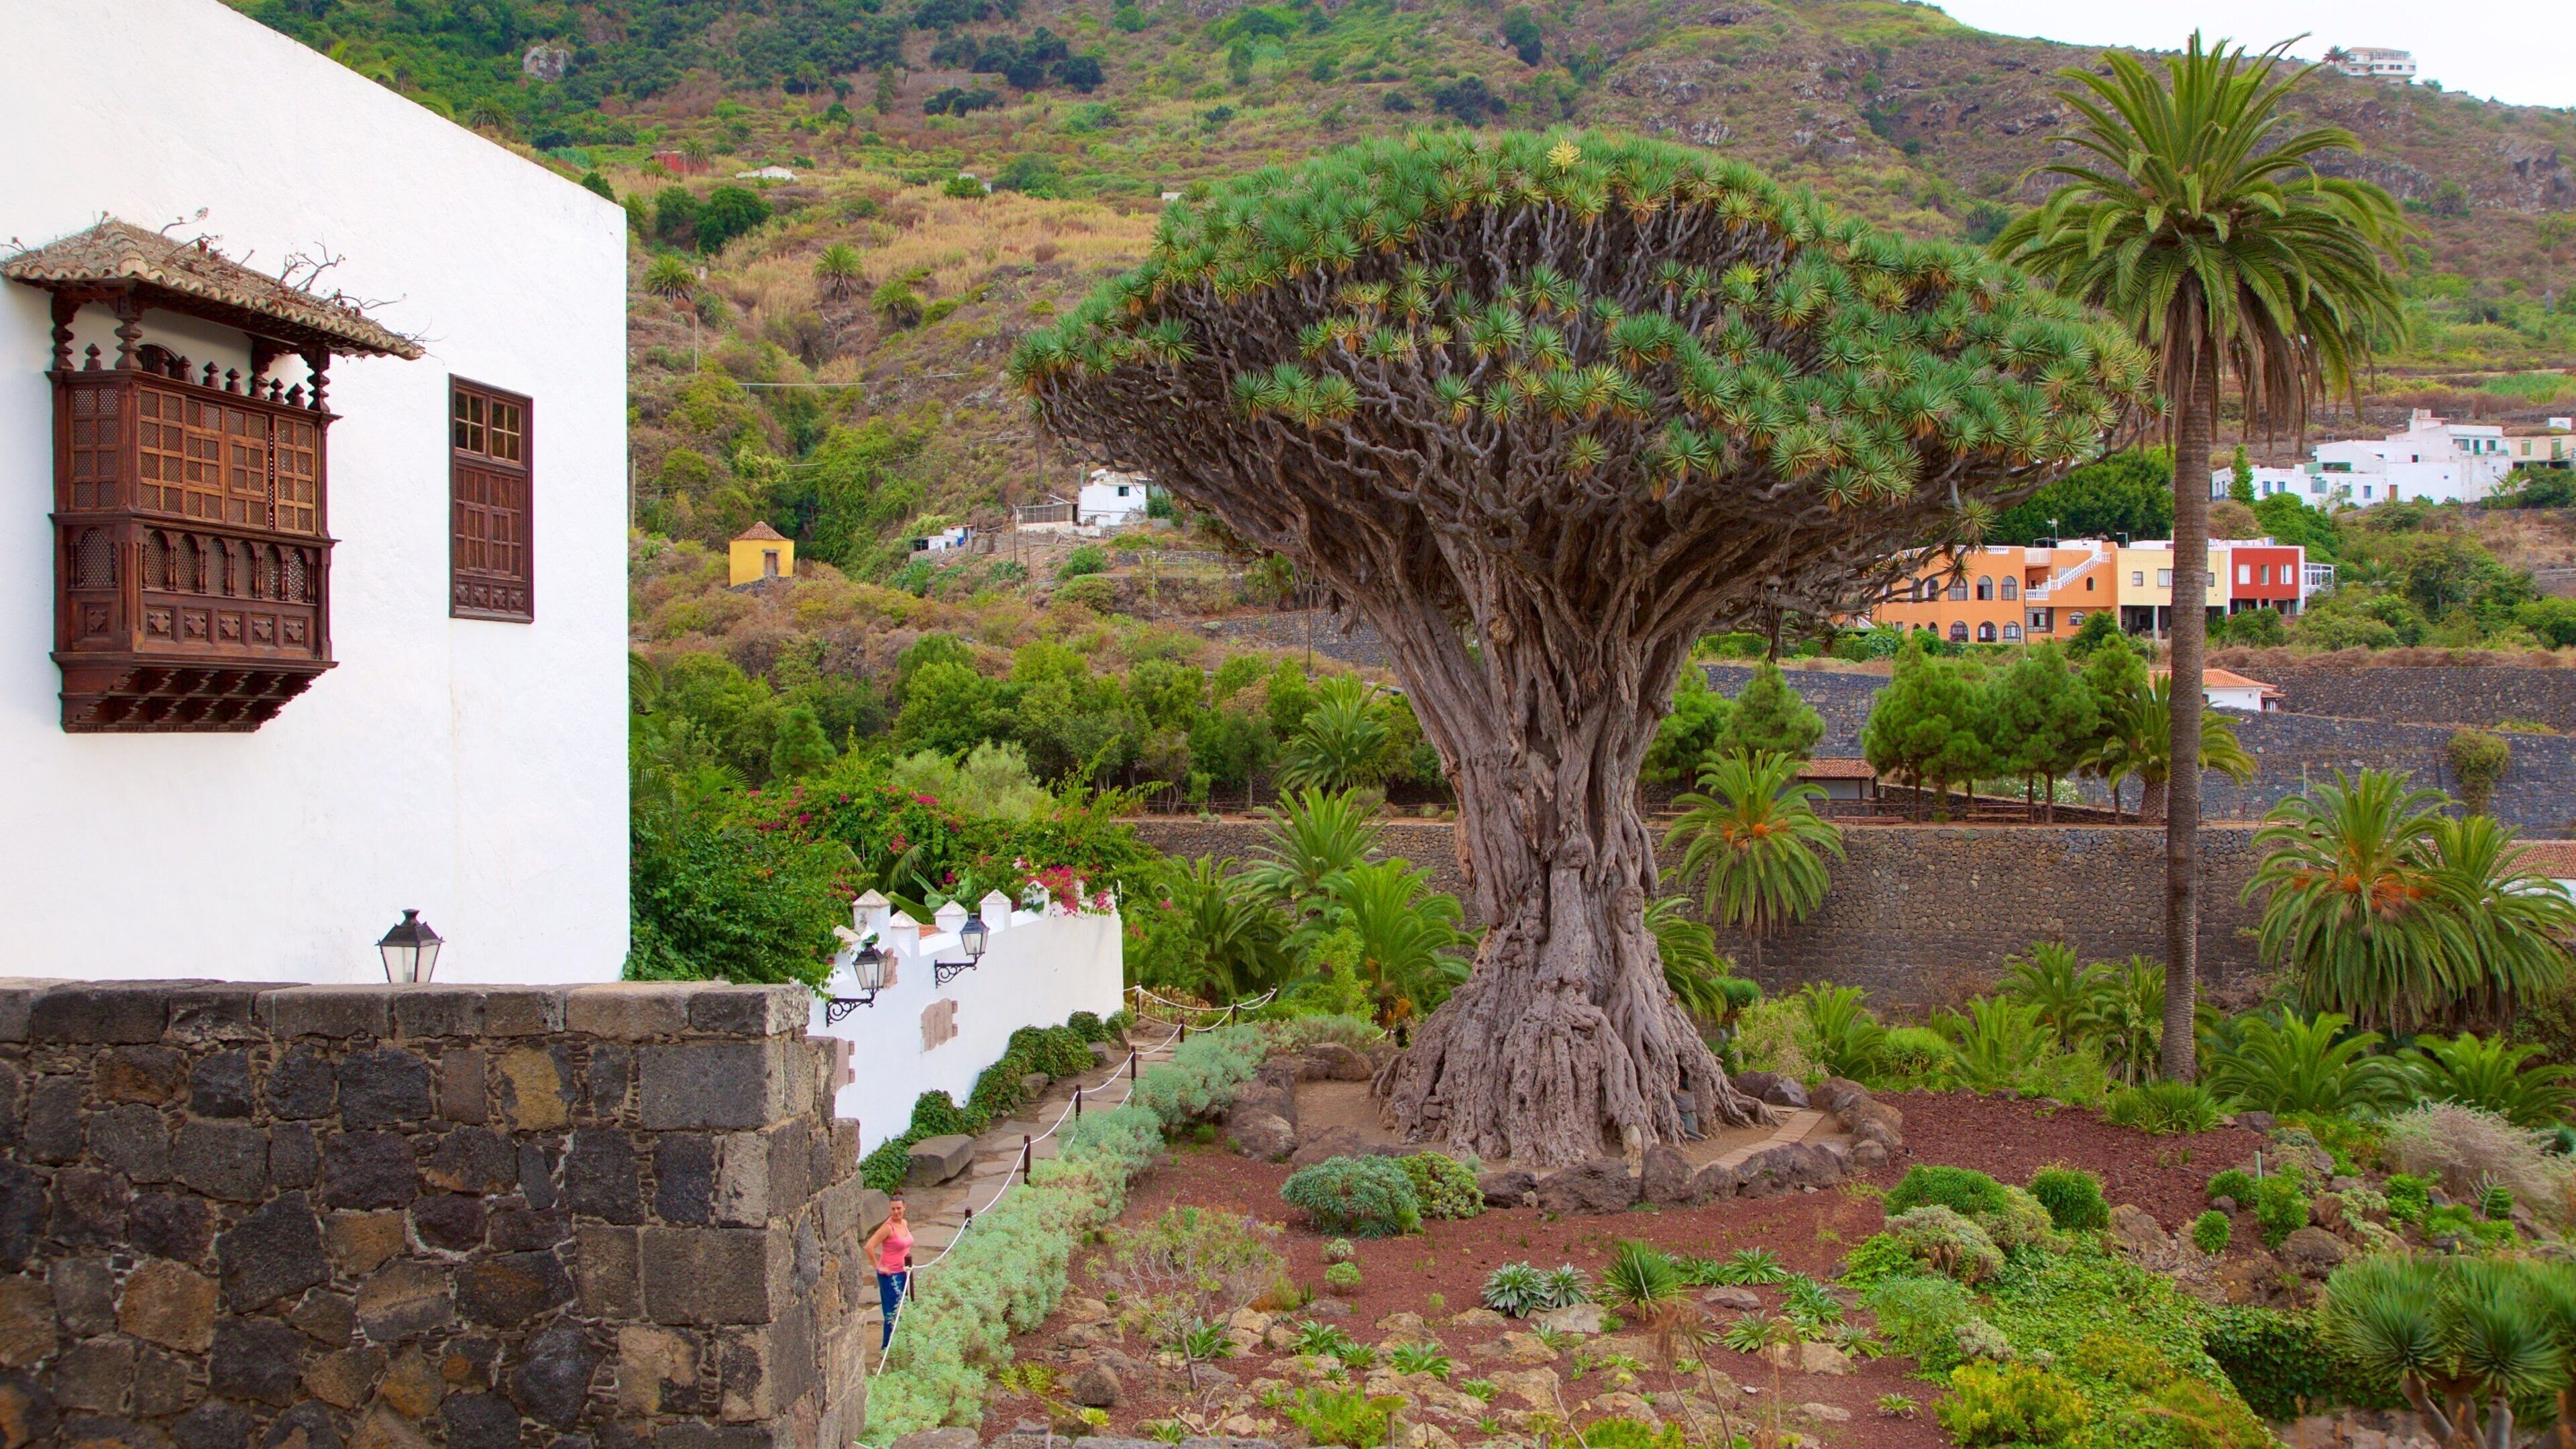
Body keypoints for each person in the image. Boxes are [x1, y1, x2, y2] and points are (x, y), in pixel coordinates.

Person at [862, 1192, 914, 1351]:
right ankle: (887, 1347)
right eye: (893, 1209)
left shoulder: (904, 1223)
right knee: (892, 1311)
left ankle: (901, 1343)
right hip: (890, 1275)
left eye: (899, 1208)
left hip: (904, 1271)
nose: (896, 1212)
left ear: (904, 1207)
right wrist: (878, 1267)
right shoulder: (887, 1227)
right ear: (889, 1209)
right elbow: (869, 1247)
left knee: (903, 1308)